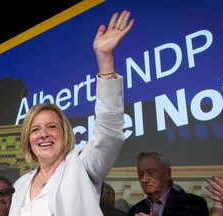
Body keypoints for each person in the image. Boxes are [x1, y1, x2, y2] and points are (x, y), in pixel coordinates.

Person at [8, 10, 134, 216]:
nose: (43, 134)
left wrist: (105, 59)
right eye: (35, 129)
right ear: (27, 139)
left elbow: (109, 132)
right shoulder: (20, 184)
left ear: (64, 133)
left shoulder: (82, 165)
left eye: (51, 126)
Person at [128, 151, 209, 216]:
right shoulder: (135, 211)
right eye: (141, 174)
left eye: (151, 172)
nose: (144, 179)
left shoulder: (192, 204)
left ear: (168, 173)